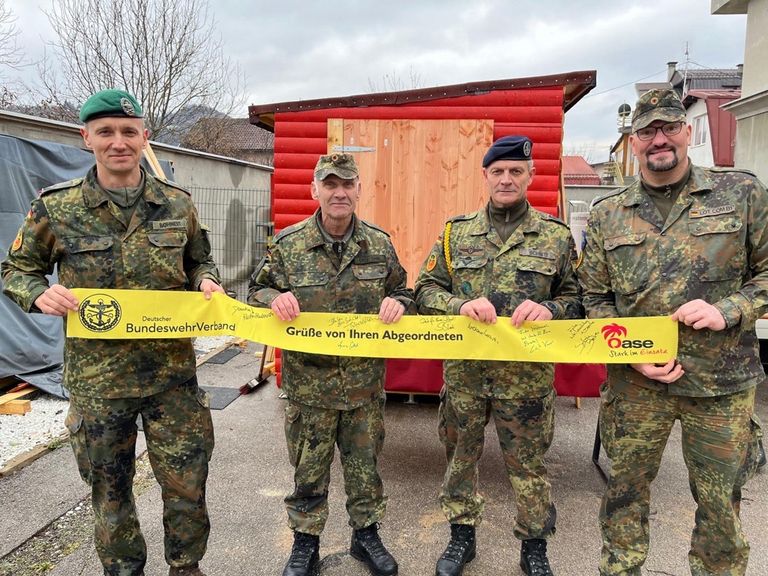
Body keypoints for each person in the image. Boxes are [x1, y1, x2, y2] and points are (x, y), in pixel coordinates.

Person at [1, 89, 224, 576]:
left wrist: (206, 280)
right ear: (87, 139)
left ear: (145, 137)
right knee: (110, 490)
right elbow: (16, 269)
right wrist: (39, 294)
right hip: (100, 384)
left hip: (173, 380)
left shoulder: (177, 205)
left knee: (187, 484)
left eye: (128, 131)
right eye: (105, 132)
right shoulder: (56, 210)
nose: (118, 142)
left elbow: (199, 261)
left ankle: (186, 567)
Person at [576, 88, 766, 576]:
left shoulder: (740, 193)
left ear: (686, 133)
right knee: (624, 496)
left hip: (720, 386)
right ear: (633, 142)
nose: (658, 139)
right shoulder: (607, 214)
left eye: (668, 128)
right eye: (646, 132)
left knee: (720, 505)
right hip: (637, 386)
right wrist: (629, 354)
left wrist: (730, 308)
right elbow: (593, 300)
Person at [414, 135, 583, 576]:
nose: (506, 179)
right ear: (486, 176)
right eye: (498, 172)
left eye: (516, 171)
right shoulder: (455, 234)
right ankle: (461, 537)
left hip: (525, 380)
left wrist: (551, 308)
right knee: (460, 458)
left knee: (528, 466)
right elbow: (425, 290)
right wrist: (458, 306)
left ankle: (533, 545)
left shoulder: (555, 237)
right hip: (466, 376)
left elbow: (581, 299)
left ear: (530, 176)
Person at [248, 153, 413, 576]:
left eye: (347, 184)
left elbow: (406, 290)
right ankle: (306, 544)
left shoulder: (378, 244)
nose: (339, 192)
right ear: (315, 190)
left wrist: (399, 302)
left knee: (365, 470)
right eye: (330, 184)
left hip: (363, 387)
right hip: (310, 388)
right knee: (308, 471)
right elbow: (256, 290)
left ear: (359, 189)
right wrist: (274, 298)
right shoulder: (288, 245)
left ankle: (366, 537)